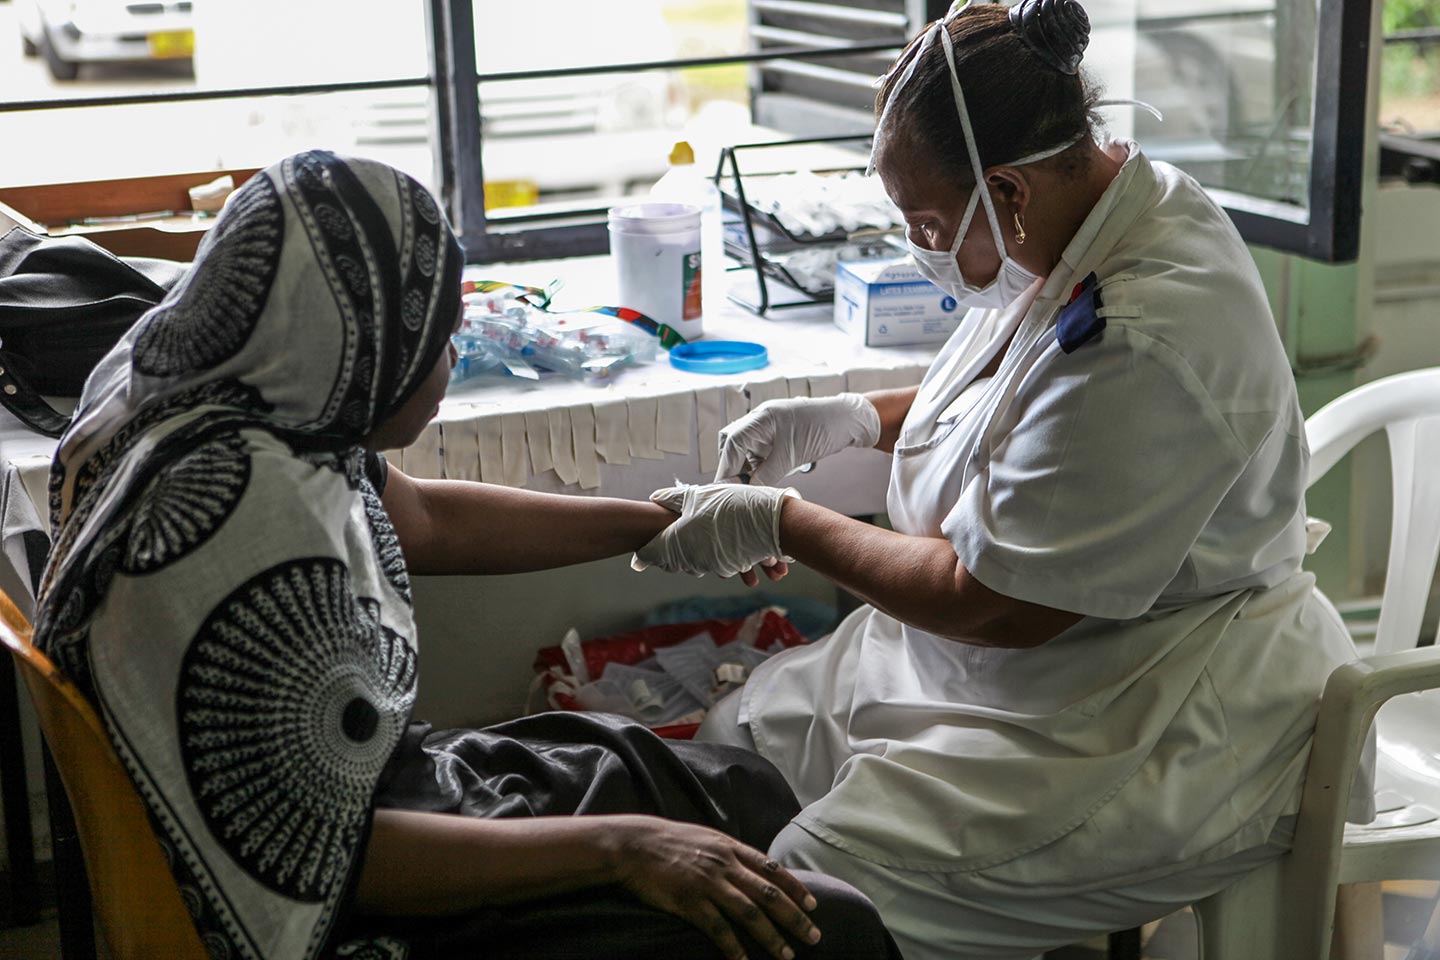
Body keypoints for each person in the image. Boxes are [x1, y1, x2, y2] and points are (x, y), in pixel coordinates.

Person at [632, 1, 1372, 958]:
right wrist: (853, 419)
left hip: (1146, 712)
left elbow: (994, 600)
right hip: (1011, 670)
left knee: (813, 883)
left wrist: (782, 521)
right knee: (738, 745)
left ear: (1009, 191)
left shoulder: (1149, 332)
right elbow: (1019, 394)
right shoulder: (1094, 213)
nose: (920, 243)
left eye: (929, 219)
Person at [33, 150, 901, 960]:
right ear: (365, 350)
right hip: (323, 899)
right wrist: (620, 848)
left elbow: (425, 520)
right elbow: (336, 860)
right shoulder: (247, 524)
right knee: (837, 928)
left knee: (726, 785)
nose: (450, 362)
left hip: (365, 800)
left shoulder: (217, 382)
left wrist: (663, 524)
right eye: (438, 340)